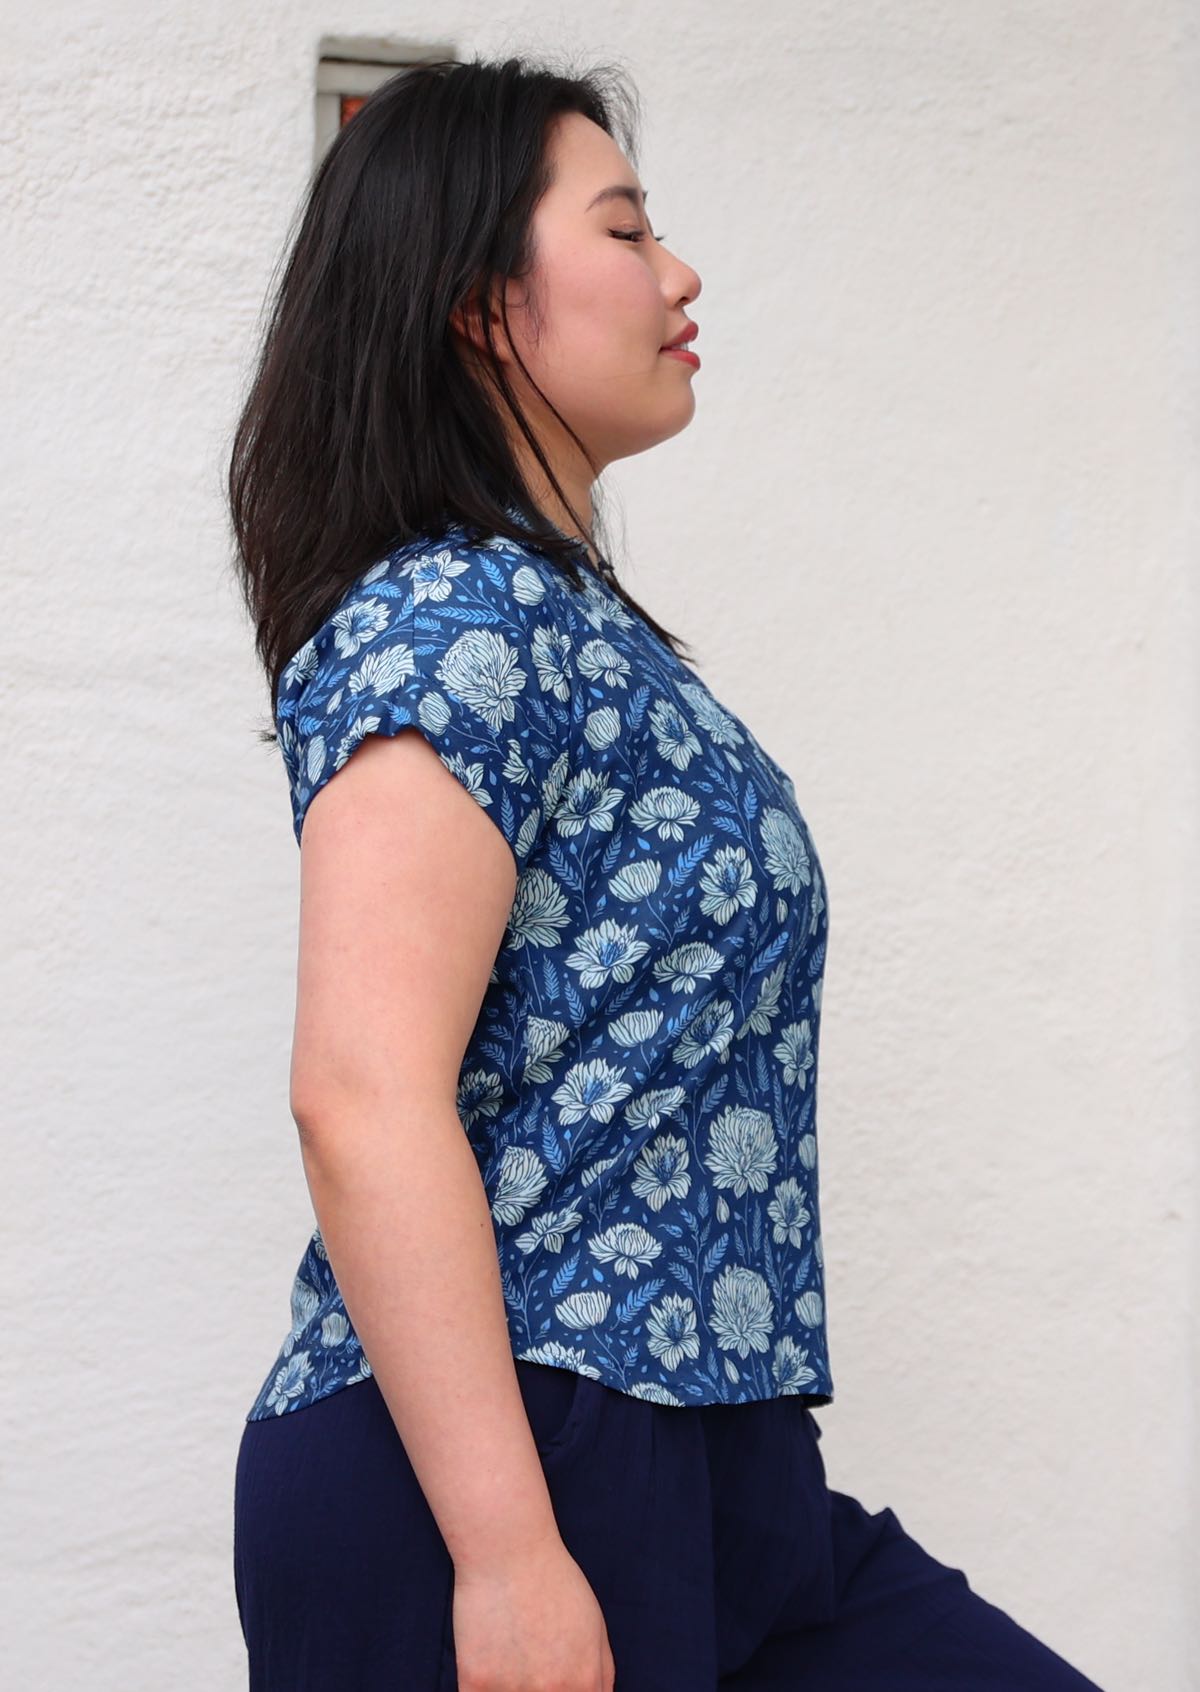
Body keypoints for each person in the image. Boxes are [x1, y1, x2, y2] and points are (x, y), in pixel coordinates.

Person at [226, 52, 1107, 1692]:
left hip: (721, 1462)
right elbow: (357, 1088)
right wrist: (503, 1555)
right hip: (508, 1465)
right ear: (479, 303)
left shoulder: (581, 634)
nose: (679, 272)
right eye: (626, 229)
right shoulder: (451, 622)